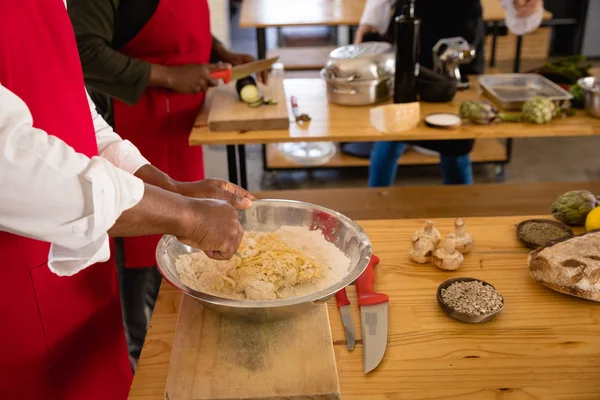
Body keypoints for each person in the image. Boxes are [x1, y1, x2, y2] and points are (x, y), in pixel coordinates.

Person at [0, 0, 253, 398]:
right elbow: (9, 163)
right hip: (12, 293)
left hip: (77, 275)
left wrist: (161, 184)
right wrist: (186, 216)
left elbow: (68, 99)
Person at [67, 0, 267, 367]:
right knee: (138, 248)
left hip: (177, 121)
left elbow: (175, 21)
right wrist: (168, 75)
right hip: (131, 116)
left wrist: (216, 50)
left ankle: (184, 324)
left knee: (182, 232)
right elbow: (84, 50)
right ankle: (143, 348)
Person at [355, 0, 544, 187]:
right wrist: (370, 23)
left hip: (461, 38)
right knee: (392, 132)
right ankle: (374, 199)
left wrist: (523, 6)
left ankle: (461, 211)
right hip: (411, 34)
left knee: (456, 139)